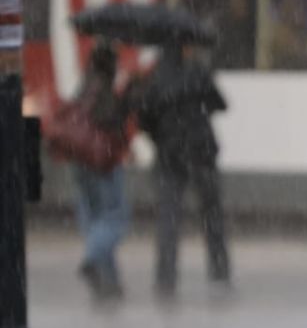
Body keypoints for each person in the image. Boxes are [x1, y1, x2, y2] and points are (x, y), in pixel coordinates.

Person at [134, 41, 232, 296]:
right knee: (212, 215)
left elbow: (143, 118)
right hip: (201, 153)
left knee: (168, 218)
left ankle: (166, 277)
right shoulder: (198, 73)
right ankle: (219, 272)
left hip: (170, 155)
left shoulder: (156, 78)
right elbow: (221, 103)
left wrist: (161, 135)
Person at [67, 42, 132, 301]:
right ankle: (92, 262)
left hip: (80, 162)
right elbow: (111, 123)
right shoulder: (103, 89)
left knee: (96, 220)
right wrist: (125, 99)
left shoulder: (83, 87)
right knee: (116, 218)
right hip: (102, 162)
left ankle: (110, 281)